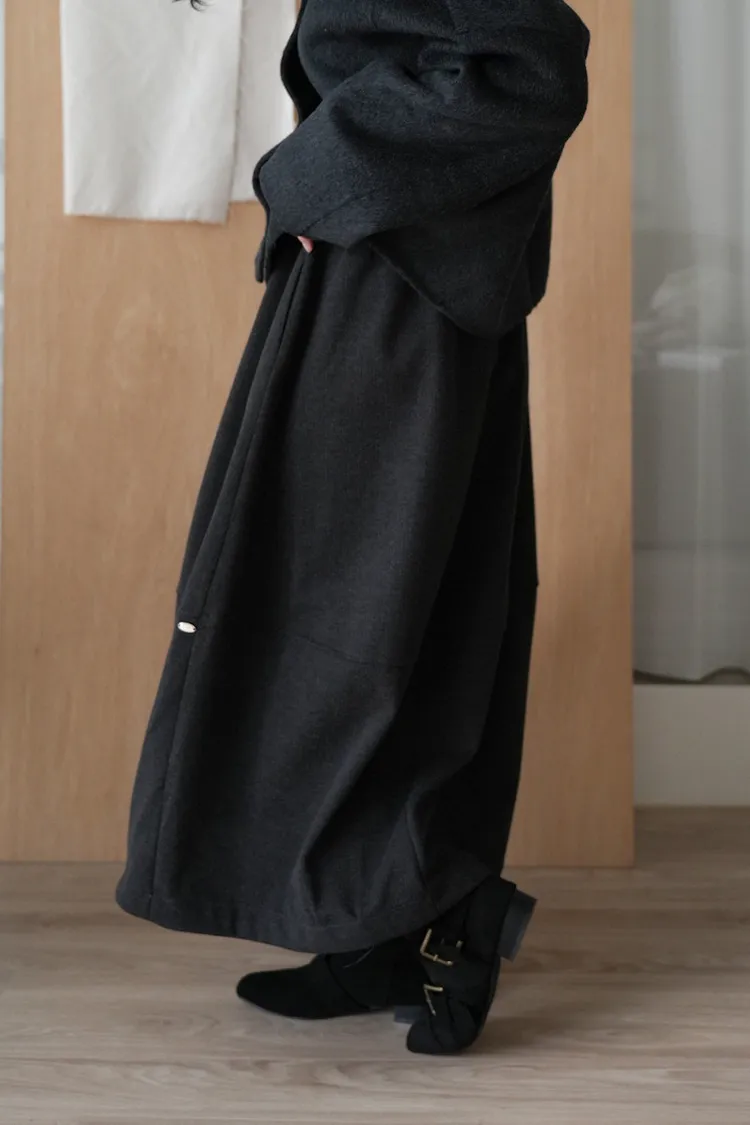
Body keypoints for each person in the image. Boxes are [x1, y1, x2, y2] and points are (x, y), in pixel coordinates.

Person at [116, 0, 591, 1055]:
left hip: (400, 290)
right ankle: (384, 923)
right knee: (390, 612)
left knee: (357, 615)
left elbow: (532, 65)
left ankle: (442, 918)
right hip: (390, 272)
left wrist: (314, 175)